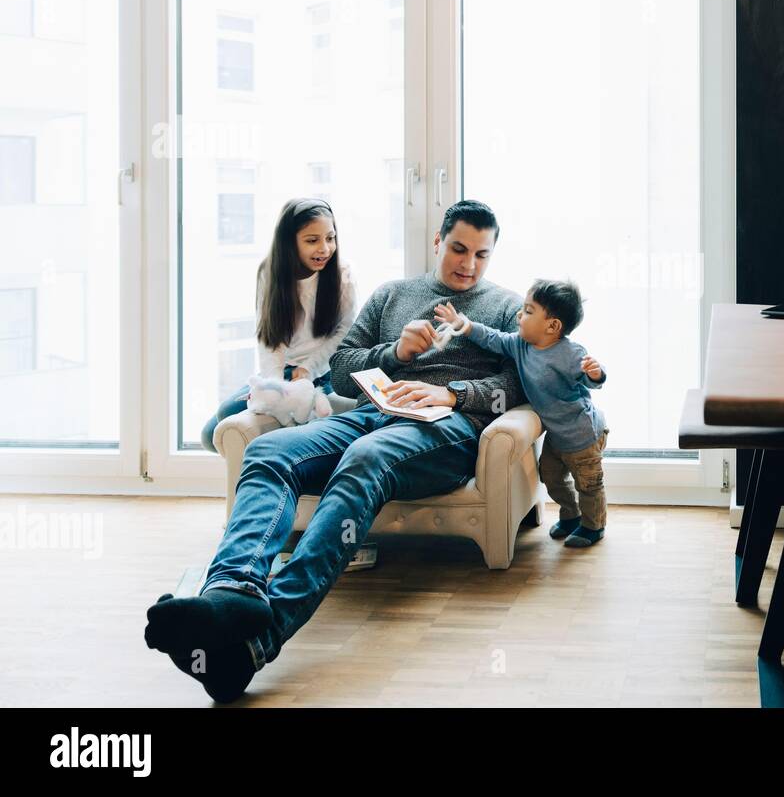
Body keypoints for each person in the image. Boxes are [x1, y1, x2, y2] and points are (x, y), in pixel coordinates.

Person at [145, 200, 525, 702]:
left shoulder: (503, 306)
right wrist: (396, 354)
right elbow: (343, 367)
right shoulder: (394, 295)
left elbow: (521, 384)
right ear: (438, 241)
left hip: (446, 428)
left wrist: (453, 393)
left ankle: (262, 635)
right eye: (458, 248)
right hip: (371, 412)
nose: (468, 264)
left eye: (481, 254)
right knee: (270, 453)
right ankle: (230, 592)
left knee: (365, 461)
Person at [435, 279, 609, 548]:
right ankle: (571, 516)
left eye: (528, 311)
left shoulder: (571, 354)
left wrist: (596, 374)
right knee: (550, 477)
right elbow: (492, 338)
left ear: (552, 326)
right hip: (556, 436)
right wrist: (464, 325)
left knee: (589, 484)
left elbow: (590, 380)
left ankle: (593, 525)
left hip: (584, 436)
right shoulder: (520, 345)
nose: (519, 314)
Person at [200, 198, 357, 453]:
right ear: (289, 242)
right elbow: (269, 337)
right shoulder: (269, 272)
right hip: (282, 371)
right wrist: (275, 387)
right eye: (312, 240)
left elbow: (344, 334)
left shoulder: (342, 274)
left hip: (323, 371)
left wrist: (307, 370)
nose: (325, 248)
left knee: (240, 415)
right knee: (212, 432)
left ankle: (330, 410)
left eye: (330, 238)